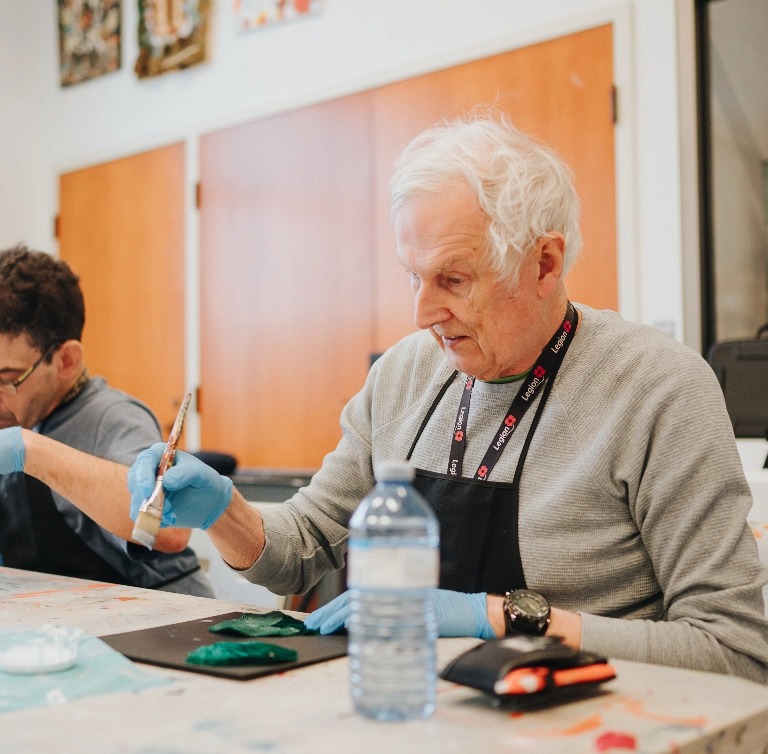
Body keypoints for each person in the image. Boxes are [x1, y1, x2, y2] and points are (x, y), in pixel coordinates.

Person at [127, 114, 768, 682]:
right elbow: (302, 550)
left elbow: (734, 651)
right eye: (414, 277)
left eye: (453, 279)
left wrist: (495, 618)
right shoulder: (406, 374)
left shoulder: (656, 389)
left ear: (545, 264)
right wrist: (223, 510)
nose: (423, 313)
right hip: (412, 706)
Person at [0, 245, 213, 596]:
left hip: (158, 624)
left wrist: (30, 449)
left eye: (7, 377)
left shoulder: (116, 419)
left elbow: (170, 530)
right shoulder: (17, 411)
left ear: (66, 360)